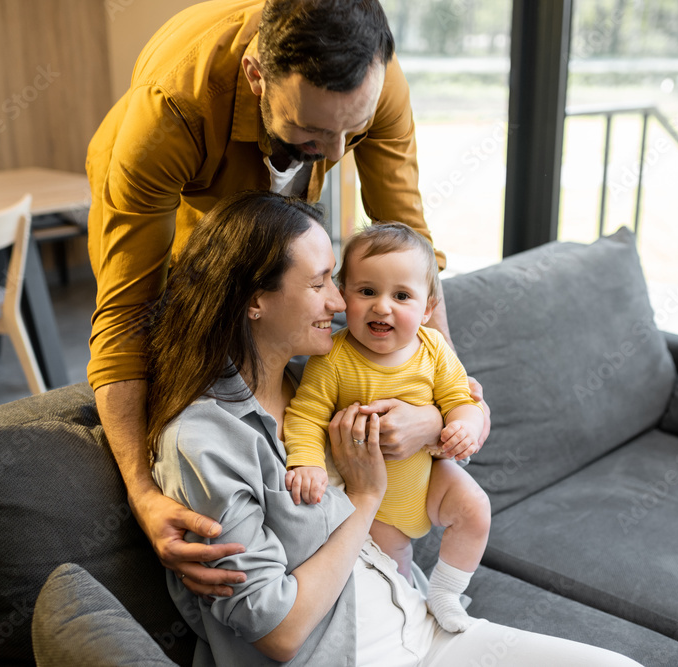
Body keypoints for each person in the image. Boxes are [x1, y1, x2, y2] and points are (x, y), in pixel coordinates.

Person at [85, 0, 490, 599]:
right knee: (205, 319)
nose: (334, 154)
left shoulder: (378, 85)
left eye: (352, 130)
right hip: (184, 211)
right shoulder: (169, 113)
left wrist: (438, 391)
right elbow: (124, 315)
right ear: (256, 76)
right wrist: (143, 494)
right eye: (314, 130)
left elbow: (411, 249)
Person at [147, 191, 642, 666]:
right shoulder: (203, 441)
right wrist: (365, 498)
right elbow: (277, 632)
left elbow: (454, 413)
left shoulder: (312, 381)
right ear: (256, 301)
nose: (340, 304)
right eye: (320, 284)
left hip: (423, 624)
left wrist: (435, 421)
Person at [283, 223, 490, 632]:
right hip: (373, 503)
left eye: (401, 296)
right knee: (393, 569)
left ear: (427, 308)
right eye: (367, 292)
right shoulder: (333, 359)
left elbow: (459, 399)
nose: (382, 307)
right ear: (343, 296)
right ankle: (412, 610)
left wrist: (464, 425)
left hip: (430, 479)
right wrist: (306, 462)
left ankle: (446, 592)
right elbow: (305, 415)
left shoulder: (434, 351)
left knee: (476, 510)